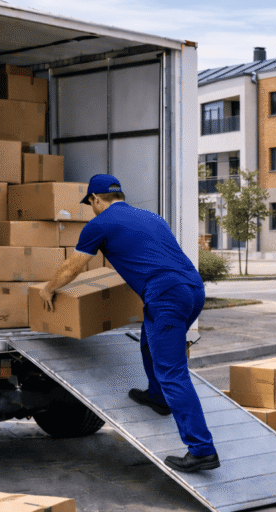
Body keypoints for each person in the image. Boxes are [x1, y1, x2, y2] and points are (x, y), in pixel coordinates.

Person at [39, 174, 220, 473]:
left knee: (173, 372)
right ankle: (157, 397)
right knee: (150, 341)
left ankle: (201, 449)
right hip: (192, 290)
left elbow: (73, 267)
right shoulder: (152, 217)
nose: (91, 208)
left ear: (96, 199)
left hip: (166, 297)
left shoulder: (99, 224)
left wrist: (48, 289)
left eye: (91, 203)